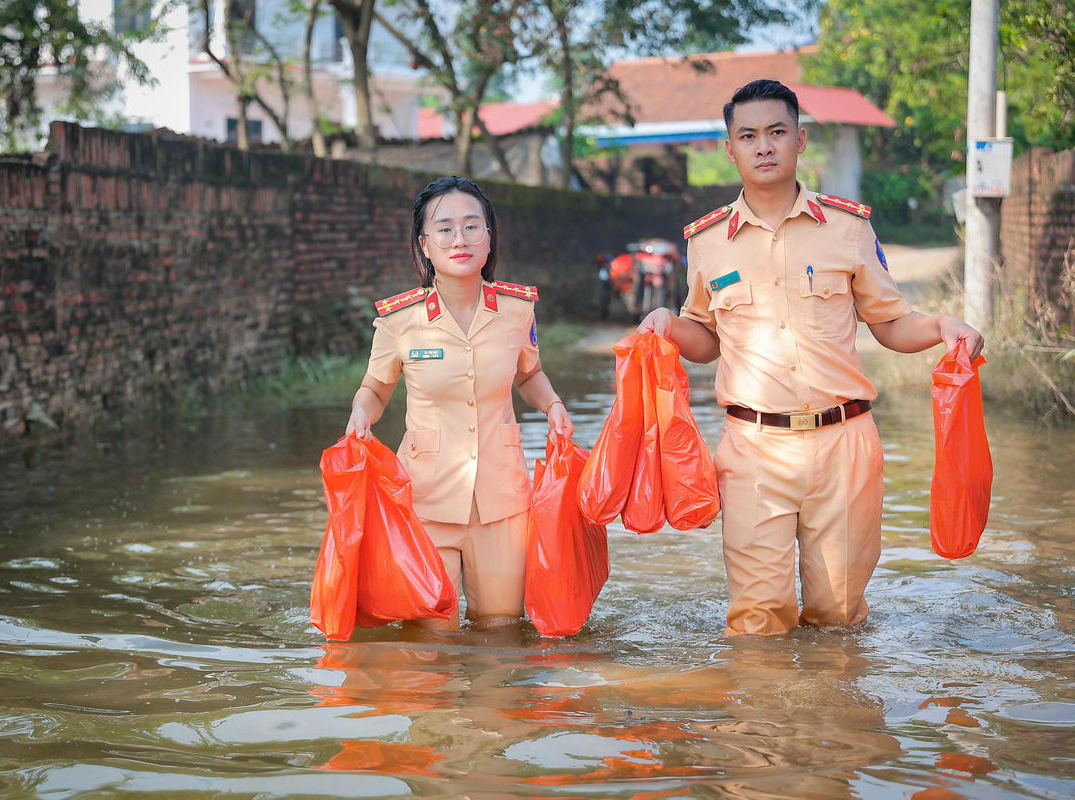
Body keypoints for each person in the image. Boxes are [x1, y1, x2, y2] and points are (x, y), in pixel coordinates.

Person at [639, 79, 985, 637]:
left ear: (801, 140)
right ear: (730, 149)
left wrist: (943, 326)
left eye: (777, 132)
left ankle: (836, 722)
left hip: (843, 445)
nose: (764, 146)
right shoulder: (707, 241)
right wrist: (670, 328)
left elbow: (890, 323)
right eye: (748, 135)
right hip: (752, 447)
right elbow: (706, 339)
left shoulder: (847, 227)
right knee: (756, 621)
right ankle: (764, 724)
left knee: (838, 615)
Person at [346, 176, 573, 632]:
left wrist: (551, 405)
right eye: (444, 228)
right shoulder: (400, 321)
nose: (460, 239)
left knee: (502, 631)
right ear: (424, 245)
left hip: (502, 498)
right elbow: (375, 388)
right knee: (432, 634)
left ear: (490, 238)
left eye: (473, 226)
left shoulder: (517, 310)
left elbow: (528, 374)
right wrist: (360, 415)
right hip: (427, 498)